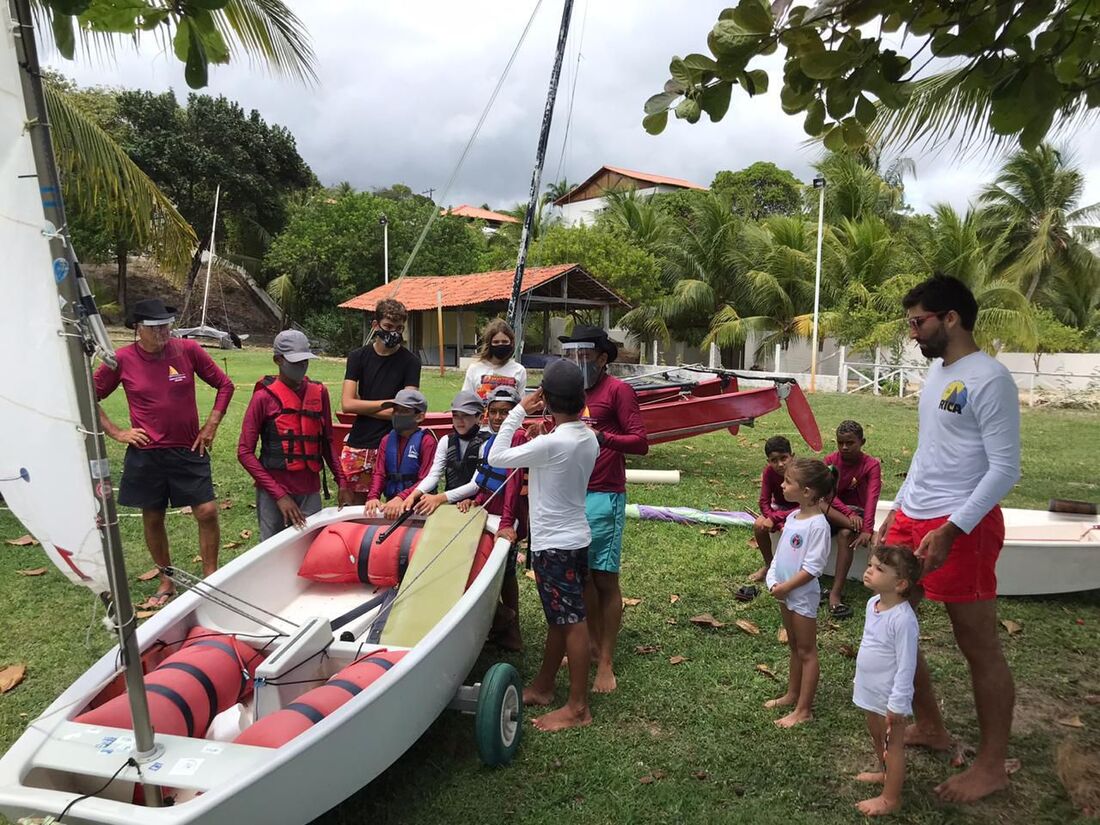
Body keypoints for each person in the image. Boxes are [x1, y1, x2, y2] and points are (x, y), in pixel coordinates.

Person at [874, 274, 1021, 803]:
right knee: (894, 618)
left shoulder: (990, 378)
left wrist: (953, 527)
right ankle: (932, 726)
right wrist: (897, 510)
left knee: (977, 644)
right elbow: (927, 452)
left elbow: (1005, 469)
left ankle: (991, 765)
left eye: (919, 322)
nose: (913, 333)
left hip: (965, 524)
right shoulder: (939, 373)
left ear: (950, 318)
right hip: (915, 515)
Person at [94, 298, 234, 605]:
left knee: (207, 511)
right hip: (147, 453)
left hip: (188, 447)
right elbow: (89, 395)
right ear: (137, 329)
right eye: (154, 328)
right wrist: (118, 432)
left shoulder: (188, 351)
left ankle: (210, 578)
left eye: (166, 326)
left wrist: (211, 425)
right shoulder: (121, 360)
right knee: (153, 516)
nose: (162, 333)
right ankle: (166, 579)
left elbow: (225, 385)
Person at [488, 360, 599, 732]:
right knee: (560, 617)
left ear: (546, 400)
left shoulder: (552, 444)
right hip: (576, 538)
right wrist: (544, 428)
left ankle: (578, 707)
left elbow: (496, 456)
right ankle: (545, 685)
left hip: (554, 545)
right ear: (581, 400)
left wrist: (519, 409)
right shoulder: (586, 437)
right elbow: (556, 449)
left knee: (573, 622)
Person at [558, 325, 648, 695]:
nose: (577, 362)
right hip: (570, 493)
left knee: (604, 577)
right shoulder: (570, 392)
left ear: (601, 357)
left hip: (604, 494)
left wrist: (602, 437)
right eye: (571, 355)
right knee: (580, 577)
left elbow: (640, 442)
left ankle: (606, 660)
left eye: (583, 355)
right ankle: (591, 642)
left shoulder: (618, 391)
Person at [238, 330, 354, 541]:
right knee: (272, 550)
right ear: (278, 360)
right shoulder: (263, 398)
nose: (302, 366)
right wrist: (279, 495)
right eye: (295, 362)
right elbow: (244, 452)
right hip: (274, 490)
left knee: (310, 546)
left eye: (305, 361)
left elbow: (327, 442)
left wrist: (342, 483)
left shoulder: (319, 393)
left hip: (309, 490)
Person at [764, 457, 834, 728]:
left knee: (807, 651)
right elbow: (782, 555)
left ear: (807, 492)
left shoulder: (818, 525)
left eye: (788, 482)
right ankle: (792, 694)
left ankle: (804, 709)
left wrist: (787, 587)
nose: (782, 485)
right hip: (783, 591)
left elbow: (812, 568)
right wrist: (773, 579)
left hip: (801, 594)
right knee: (794, 646)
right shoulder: (793, 516)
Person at [852, 545, 922, 817]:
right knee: (877, 734)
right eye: (870, 565)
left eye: (880, 569)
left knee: (893, 745)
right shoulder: (873, 604)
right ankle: (884, 774)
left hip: (890, 695)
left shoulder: (903, 620)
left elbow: (907, 665)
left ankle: (891, 798)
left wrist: (898, 704)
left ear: (900, 583)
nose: (870, 570)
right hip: (871, 686)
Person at [461, 385, 528, 650]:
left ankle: (511, 628)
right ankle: (497, 622)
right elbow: (485, 482)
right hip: (488, 514)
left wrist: (506, 523)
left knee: (507, 573)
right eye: (495, 412)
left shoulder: (519, 439)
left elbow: (512, 484)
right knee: (483, 568)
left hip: (508, 518)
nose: (499, 417)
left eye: (506, 412)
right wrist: (474, 500)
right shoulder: (488, 441)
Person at [340, 299, 421, 504]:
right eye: (388, 327)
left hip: (395, 442)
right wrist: (390, 403)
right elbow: (347, 404)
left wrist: (363, 406)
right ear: (375, 325)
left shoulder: (410, 362)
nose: (393, 332)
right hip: (360, 441)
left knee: (396, 505)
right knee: (353, 507)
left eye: (399, 328)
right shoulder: (358, 357)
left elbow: (406, 412)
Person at [823, 420, 883, 618]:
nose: (844, 447)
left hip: (858, 514)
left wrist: (867, 528)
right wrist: (849, 515)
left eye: (850, 443)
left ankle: (836, 592)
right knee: (819, 503)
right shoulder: (830, 461)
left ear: (862, 442)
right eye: (840, 443)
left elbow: (872, 497)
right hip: (836, 511)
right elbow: (828, 495)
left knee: (846, 534)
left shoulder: (871, 465)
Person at [404, 390, 488, 516]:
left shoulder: (487, 443)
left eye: (465, 415)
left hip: (478, 504)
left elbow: (476, 485)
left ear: (480, 417)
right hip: (451, 503)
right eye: (455, 415)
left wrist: (439, 498)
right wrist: (414, 494)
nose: (460, 420)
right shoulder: (446, 441)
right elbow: (434, 475)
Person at [362, 389, 438, 519]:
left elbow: (426, 478)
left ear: (419, 416)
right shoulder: (386, 440)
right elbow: (379, 472)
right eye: (396, 410)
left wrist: (401, 498)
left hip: (418, 507)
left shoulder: (427, 442)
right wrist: (373, 497)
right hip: (391, 501)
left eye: (404, 411)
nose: (398, 415)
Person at [752, 435, 797, 582]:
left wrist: (774, 518)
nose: (780, 464)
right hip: (779, 509)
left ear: (792, 456)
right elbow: (764, 501)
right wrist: (775, 520)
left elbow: (807, 503)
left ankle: (795, 570)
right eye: (774, 461)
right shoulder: (769, 472)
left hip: (800, 509)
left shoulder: (801, 471)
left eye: (784, 458)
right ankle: (769, 565)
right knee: (759, 525)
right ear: (768, 462)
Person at [462, 318, 527, 400]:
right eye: (496, 342)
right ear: (489, 344)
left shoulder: (519, 370)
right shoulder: (474, 369)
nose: (500, 345)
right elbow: (464, 401)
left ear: (511, 343)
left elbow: (521, 403)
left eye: (504, 342)